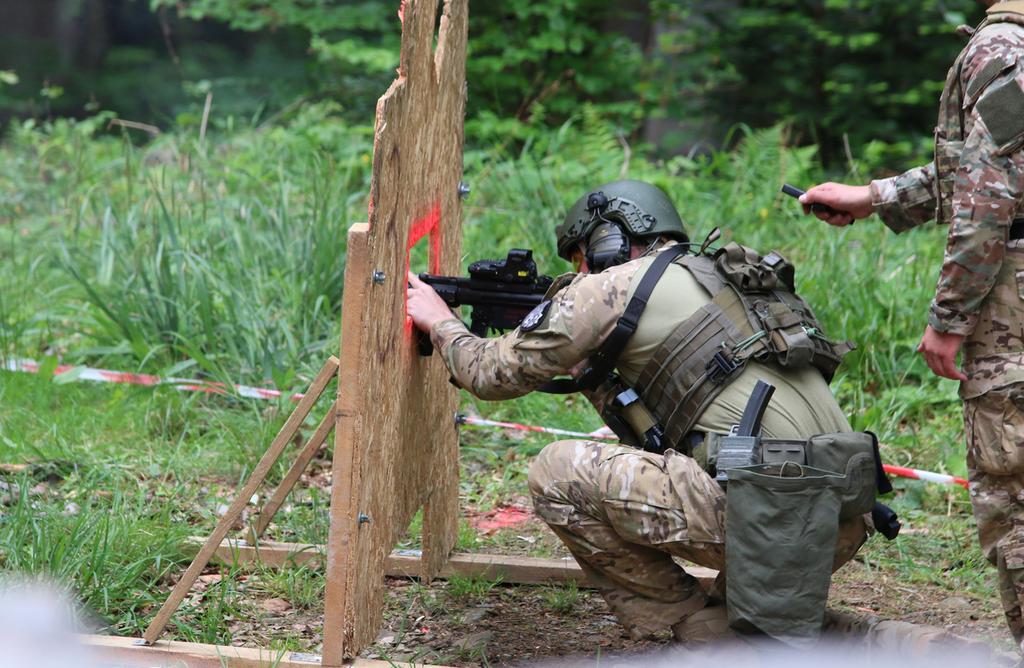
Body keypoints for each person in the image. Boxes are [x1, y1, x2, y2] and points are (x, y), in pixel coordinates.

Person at [407, 180, 874, 645]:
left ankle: (691, 628)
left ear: (610, 240)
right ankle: (877, 640)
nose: (580, 271)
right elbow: (662, 430)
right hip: (842, 518)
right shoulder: (722, 277)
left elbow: (490, 374)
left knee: (556, 473)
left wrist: (440, 321)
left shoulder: (614, 286)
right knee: (757, 628)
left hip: (765, 514)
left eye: (579, 257)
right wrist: (595, 372)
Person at [798, 0, 1024, 649]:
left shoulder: (1001, 49)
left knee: (1012, 493)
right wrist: (875, 197)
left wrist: (950, 318)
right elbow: (995, 166)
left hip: (1010, 300)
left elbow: (987, 196)